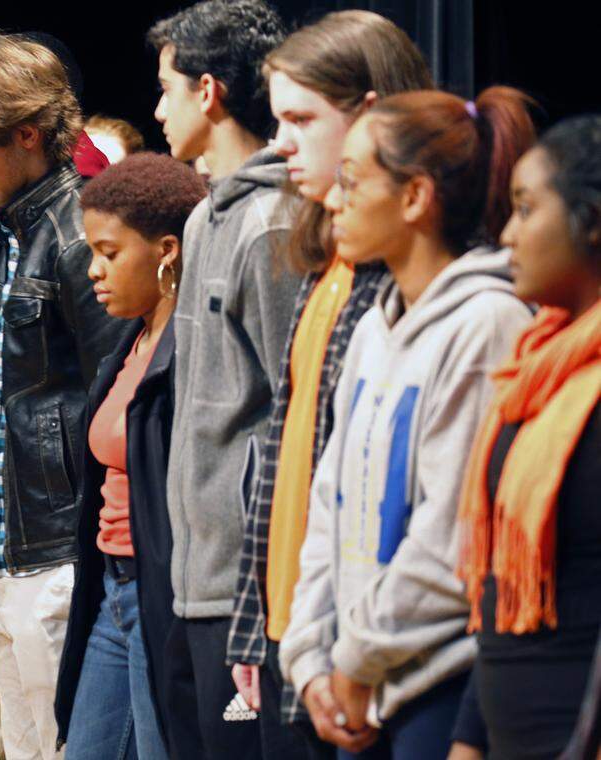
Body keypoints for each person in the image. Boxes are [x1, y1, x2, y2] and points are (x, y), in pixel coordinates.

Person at [279, 87, 537, 760]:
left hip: (440, 691)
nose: (334, 199)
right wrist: (311, 661)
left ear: (416, 197)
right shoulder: (372, 328)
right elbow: (329, 506)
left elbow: (451, 535)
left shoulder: (488, 322)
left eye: (353, 180)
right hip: (354, 686)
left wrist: (356, 660)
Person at [225, 12, 434, 759]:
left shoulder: (404, 284)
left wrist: (344, 653)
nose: (280, 141)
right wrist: (259, 625)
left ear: (371, 116)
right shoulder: (327, 263)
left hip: (365, 656)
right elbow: (286, 462)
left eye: (302, 118)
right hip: (299, 637)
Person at [0, 32, 126, 760]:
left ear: (28, 133)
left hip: (61, 546)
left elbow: (117, 394)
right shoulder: (6, 229)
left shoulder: (80, 231)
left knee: (54, 746)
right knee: (16, 746)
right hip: (5, 543)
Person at [147, 2, 298, 757]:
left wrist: (261, 588)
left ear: (208, 91)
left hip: (250, 583)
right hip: (193, 575)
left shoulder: (272, 220)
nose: (157, 107)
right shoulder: (208, 217)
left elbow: (293, 411)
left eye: (167, 87)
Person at [451, 114, 601, 759]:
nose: (507, 234)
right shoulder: (537, 369)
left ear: (591, 220)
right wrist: (469, 737)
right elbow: (500, 592)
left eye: (526, 209)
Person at [54, 152, 207, 760]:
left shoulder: (192, 347)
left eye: (109, 253)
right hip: (111, 590)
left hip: (158, 594)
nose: (94, 271)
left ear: (166, 250)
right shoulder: (129, 339)